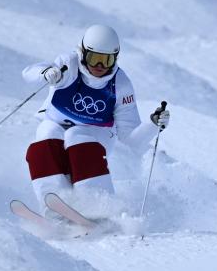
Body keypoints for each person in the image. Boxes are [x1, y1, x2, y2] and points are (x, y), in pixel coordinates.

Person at [21, 24, 170, 214]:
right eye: (94, 58)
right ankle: (54, 205)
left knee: (77, 135)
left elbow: (130, 139)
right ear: (83, 53)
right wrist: (46, 73)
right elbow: (28, 73)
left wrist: (153, 125)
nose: (99, 66)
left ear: (115, 58)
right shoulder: (69, 64)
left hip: (97, 133)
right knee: (46, 134)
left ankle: (97, 207)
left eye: (106, 60)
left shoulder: (120, 84)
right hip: (56, 123)